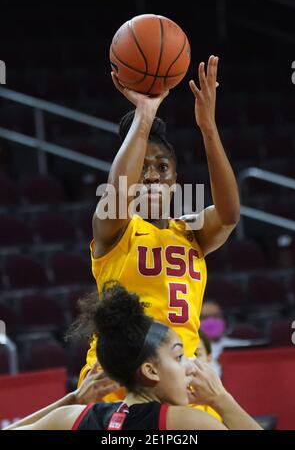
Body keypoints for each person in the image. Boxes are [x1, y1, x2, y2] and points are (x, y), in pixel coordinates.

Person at [79, 56, 241, 401]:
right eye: (143, 168)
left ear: (175, 180)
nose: (151, 175)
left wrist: (208, 129)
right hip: (117, 378)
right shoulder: (115, 226)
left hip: (182, 377)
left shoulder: (192, 231)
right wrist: (144, 114)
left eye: (162, 167)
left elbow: (228, 214)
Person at [5, 282, 261, 430]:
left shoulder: (73, 419)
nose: (191, 367)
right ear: (150, 370)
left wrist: (73, 399)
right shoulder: (186, 422)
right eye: (179, 357)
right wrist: (222, 400)